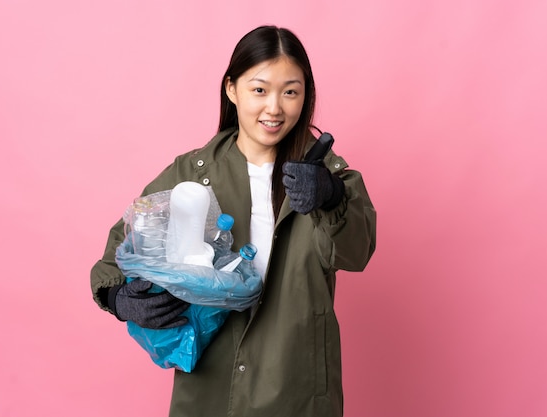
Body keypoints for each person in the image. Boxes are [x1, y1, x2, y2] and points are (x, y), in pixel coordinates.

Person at [90, 25, 376, 417]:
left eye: (290, 91)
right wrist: (120, 299)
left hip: (298, 387)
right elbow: (116, 257)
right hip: (212, 389)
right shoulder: (191, 174)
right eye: (259, 89)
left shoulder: (326, 174)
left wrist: (332, 196)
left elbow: (357, 252)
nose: (274, 108)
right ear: (231, 89)